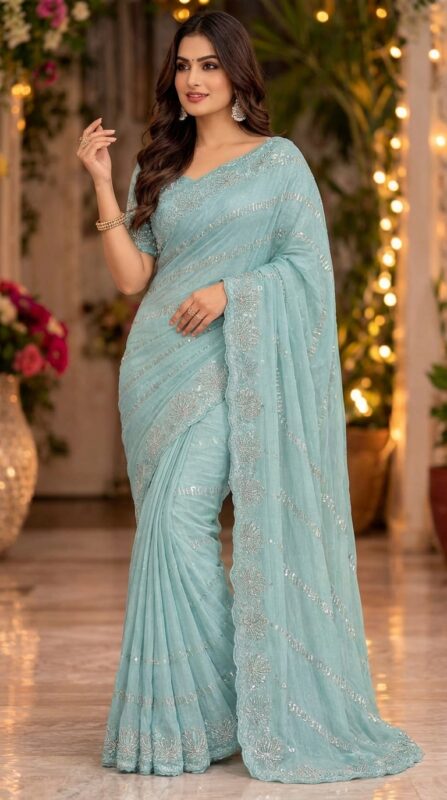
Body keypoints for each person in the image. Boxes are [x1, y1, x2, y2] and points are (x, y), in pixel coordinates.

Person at [77, 9, 423, 784]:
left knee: (178, 524)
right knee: (169, 532)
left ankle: (220, 707)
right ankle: (198, 713)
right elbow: (133, 278)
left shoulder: (277, 163)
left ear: (236, 73)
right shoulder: (158, 165)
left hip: (228, 367)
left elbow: (305, 270)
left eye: (208, 64)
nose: (192, 79)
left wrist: (232, 290)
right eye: (183, 65)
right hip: (157, 368)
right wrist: (101, 182)